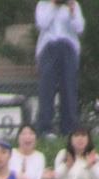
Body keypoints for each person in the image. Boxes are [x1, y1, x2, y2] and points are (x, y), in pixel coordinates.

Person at [35, 0, 85, 139]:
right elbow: (42, 23)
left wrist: (72, 11)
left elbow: (79, 27)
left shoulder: (73, 5)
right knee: (47, 88)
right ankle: (45, 128)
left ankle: (69, 128)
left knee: (69, 87)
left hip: (68, 47)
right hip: (48, 47)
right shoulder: (43, 5)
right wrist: (52, 4)